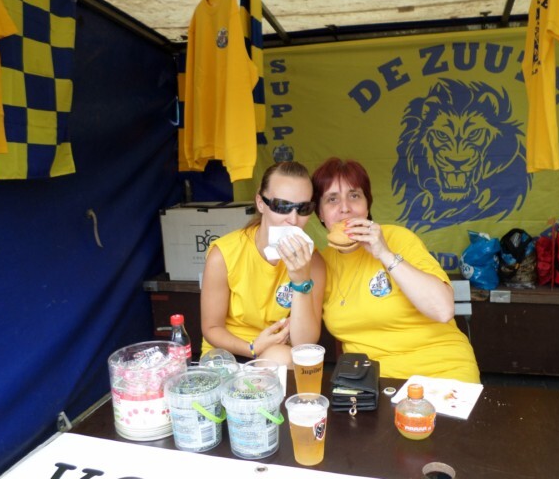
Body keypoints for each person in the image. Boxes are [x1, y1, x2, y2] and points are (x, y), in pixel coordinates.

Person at [312, 157, 480, 383]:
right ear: (320, 214)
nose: (345, 208)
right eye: (332, 199)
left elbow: (443, 310)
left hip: (443, 370)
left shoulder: (398, 238)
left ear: (367, 206)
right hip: (375, 381)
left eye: (354, 196)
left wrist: (384, 253)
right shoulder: (321, 264)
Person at [201, 161, 326, 367]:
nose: (293, 219)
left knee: (282, 359)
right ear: (261, 203)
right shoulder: (224, 254)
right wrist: (251, 347)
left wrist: (301, 281)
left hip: (275, 354)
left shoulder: (312, 261)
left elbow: (304, 343)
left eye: (304, 208)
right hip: (227, 353)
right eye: (282, 206)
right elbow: (211, 328)